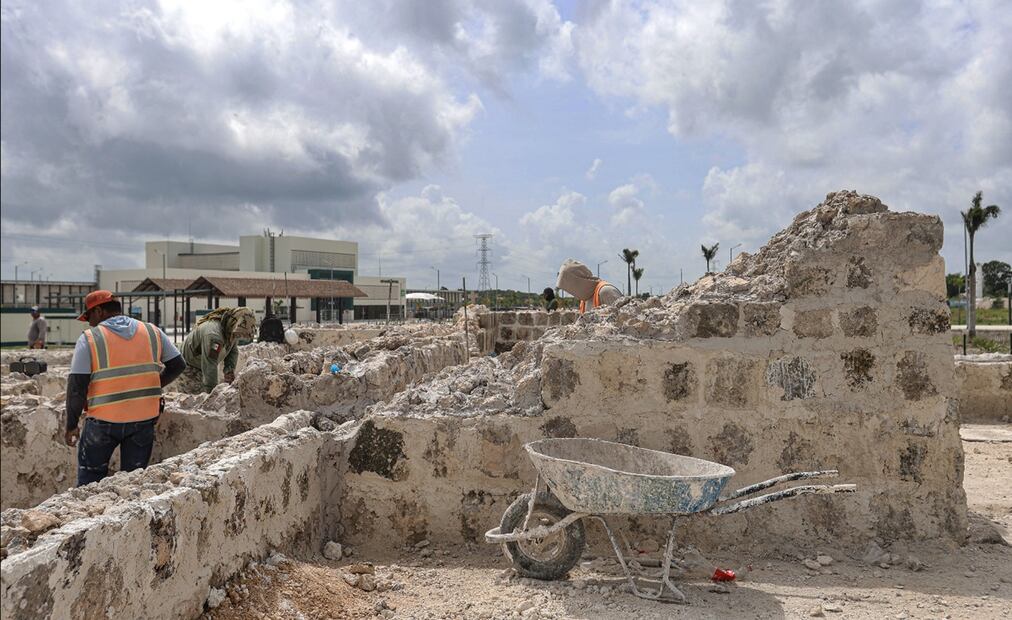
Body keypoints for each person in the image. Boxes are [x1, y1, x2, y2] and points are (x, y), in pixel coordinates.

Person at [65, 290, 185, 486]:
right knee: (134, 481)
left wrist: (71, 425)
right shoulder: (151, 331)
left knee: (90, 483)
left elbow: (77, 387)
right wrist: (153, 385)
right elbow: (178, 364)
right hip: (143, 419)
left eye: (89, 316)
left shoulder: (89, 338)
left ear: (99, 311)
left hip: (103, 420)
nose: (89, 322)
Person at [176, 307, 257, 393]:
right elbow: (210, 365)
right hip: (188, 366)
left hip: (202, 364)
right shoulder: (214, 335)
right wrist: (212, 393)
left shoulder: (231, 330)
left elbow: (233, 350)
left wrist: (229, 370)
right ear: (234, 323)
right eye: (240, 334)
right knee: (194, 400)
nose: (240, 336)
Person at [556, 259, 622, 313]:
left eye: (570, 288)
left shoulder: (606, 292)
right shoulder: (585, 300)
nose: (571, 293)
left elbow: (623, 319)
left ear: (579, 281)